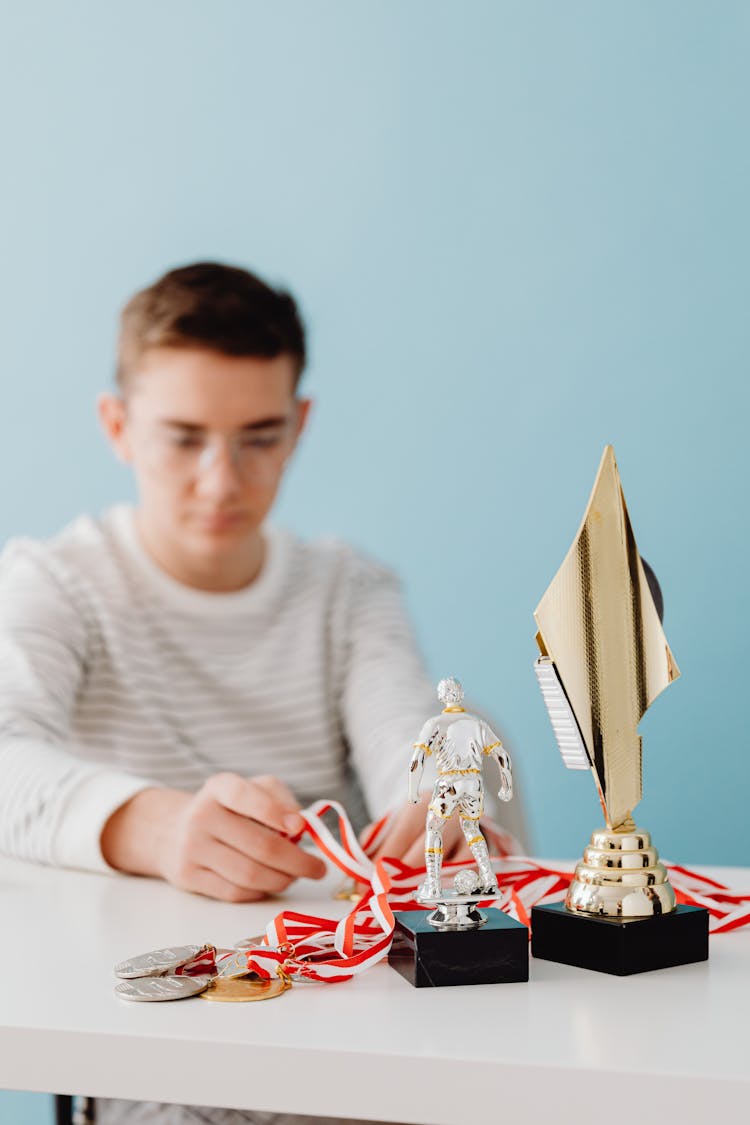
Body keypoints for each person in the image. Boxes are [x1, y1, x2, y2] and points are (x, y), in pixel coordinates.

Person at [0, 262, 520, 1124]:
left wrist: (436, 803)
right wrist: (156, 826)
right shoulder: (55, 584)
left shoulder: (350, 589)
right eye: (183, 436)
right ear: (118, 425)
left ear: (301, 425)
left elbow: (403, 728)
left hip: (362, 1039)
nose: (221, 478)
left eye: (259, 435)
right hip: (156, 1060)